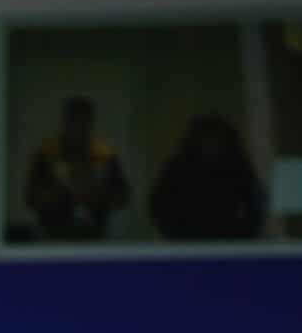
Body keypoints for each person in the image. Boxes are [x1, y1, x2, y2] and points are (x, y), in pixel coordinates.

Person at [24, 98, 130, 240]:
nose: (79, 127)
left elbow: (123, 196)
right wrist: (61, 191)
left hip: (95, 237)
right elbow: (31, 198)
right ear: (65, 122)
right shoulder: (46, 155)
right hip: (53, 238)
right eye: (74, 121)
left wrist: (97, 193)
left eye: (85, 121)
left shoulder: (105, 156)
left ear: (91, 123)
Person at [147, 114, 265, 241]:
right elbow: (158, 206)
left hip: (230, 244)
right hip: (188, 243)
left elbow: (256, 204)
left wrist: (242, 236)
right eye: (206, 139)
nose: (211, 145)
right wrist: (177, 235)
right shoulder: (177, 169)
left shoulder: (238, 168)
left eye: (216, 139)